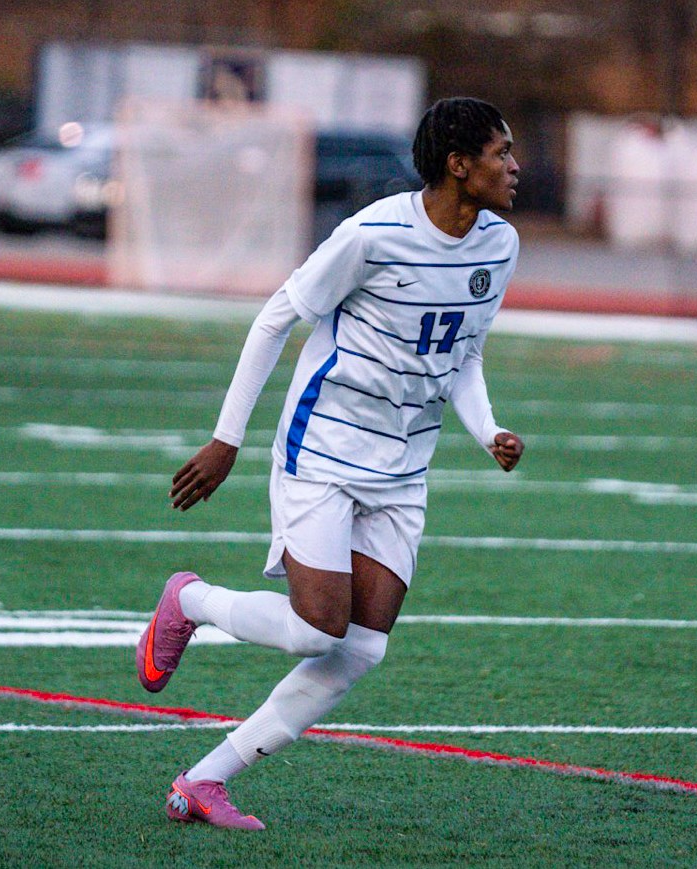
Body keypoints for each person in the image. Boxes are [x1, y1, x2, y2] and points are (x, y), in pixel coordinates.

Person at [136, 97, 525, 828]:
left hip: (406, 467)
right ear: (458, 163)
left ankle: (205, 779)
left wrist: (489, 430)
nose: (515, 166)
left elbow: (463, 352)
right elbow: (276, 316)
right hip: (324, 446)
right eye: (502, 152)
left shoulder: (499, 244)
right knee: (321, 628)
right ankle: (188, 602)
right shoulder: (372, 234)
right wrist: (227, 438)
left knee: (363, 647)